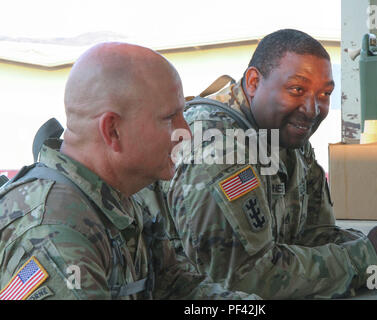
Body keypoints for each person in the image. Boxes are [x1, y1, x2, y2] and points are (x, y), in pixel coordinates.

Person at [157, 29, 377, 299]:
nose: (312, 110)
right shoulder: (217, 147)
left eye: (325, 94)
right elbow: (239, 278)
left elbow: (313, 233)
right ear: (254, 82)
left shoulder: (286, 135)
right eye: (297, 90)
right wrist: (366, 260)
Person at [0, 42, 259, 300]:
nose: (186, 133)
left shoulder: (119, 195)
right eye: (170, 117)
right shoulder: (54, 234)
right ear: (113, 130)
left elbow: (178, 288)